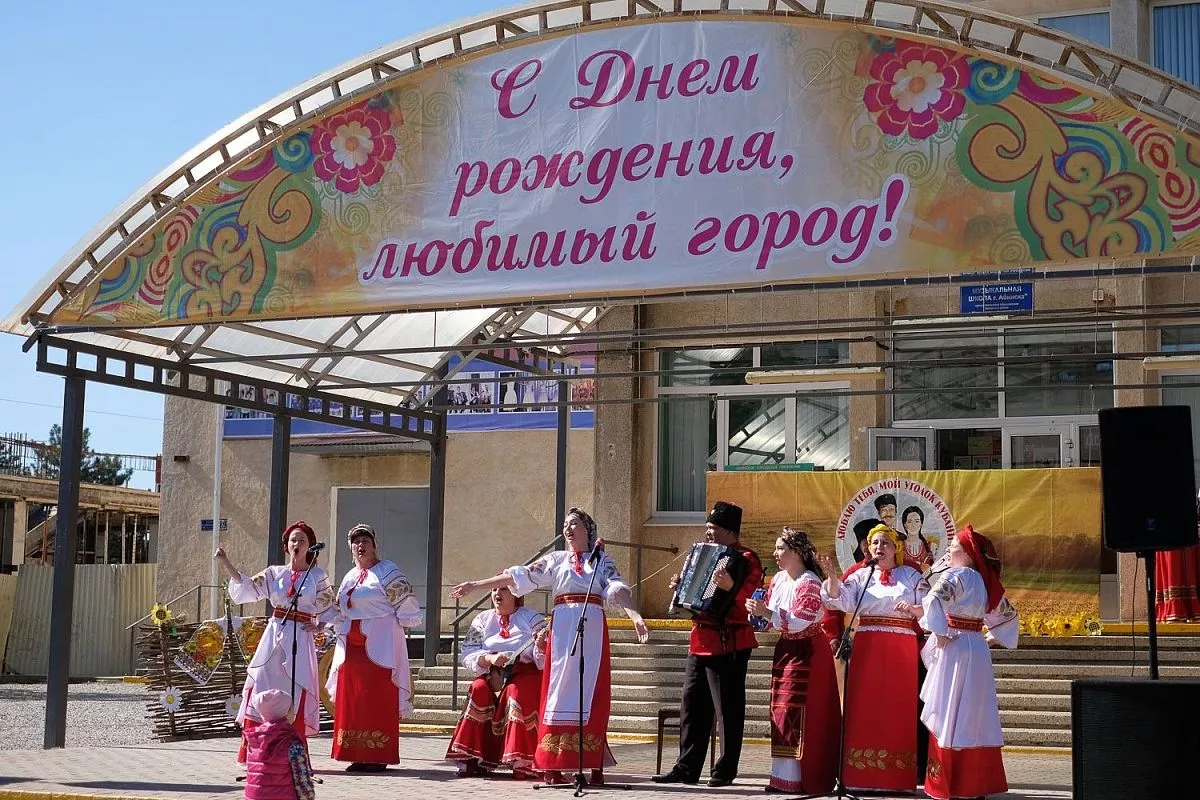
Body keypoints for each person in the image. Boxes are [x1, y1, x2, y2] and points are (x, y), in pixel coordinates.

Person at [449, 507, 649, 785]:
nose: (568, 529)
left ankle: (593, 763)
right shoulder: (556, 560)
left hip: (592, 626)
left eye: (574, 524)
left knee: (590, 692)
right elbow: (519, 576)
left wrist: (635, 616)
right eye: (565, 524)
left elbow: (616, 588)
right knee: (558, 693)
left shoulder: (601, 560)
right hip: (564, 626)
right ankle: (552, 764)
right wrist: (475, 585)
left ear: (588, 530)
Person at [898, 525, 1019, 800]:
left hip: (955, 647)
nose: (949, 550)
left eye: (953, 546)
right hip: (976, 648)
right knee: (973, 713)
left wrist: (940, 631)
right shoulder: (984, 580)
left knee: (948, 710)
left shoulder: (956, 575)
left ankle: (947, 784)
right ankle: (972, 785)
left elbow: (933, 600)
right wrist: (988, 638)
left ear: (966, 553)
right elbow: (1008, 617)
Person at [654, 500, 764, 788]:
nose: (709, 532)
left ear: (730, 531)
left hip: (730, 642)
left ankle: (725, 770)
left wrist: (731, 588)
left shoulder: (747, 559)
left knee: (727, 709)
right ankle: (687, 768)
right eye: (707, 527)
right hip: (700, 639)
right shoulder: (702, 553)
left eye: (714, 527)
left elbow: (750, 599)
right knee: (692, 706)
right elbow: (696, 594)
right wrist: (681, 587)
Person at [215, 521, 335, 764]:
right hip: (275, 634)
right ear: (286, 546)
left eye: (302, 540)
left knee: (295, 687)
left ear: (310, 546)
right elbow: (249, 587)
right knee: (262, 684)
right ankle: (257, 751)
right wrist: (226, 563)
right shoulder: (274, 573)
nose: (297, 544)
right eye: (293, 540)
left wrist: (320, 625)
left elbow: (330, 606)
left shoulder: (317, 576)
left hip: (300, 636)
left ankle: (292, 754)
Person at [820, 524, 926, 793]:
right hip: (868, 644)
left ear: (896, 547)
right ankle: (861, 776)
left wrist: (914, 609)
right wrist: (832, 577)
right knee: (865, 705)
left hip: (901, 645)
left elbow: (929, 605)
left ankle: (896, 779)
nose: (879, 547)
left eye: (885, 543)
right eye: (875, 543)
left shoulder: (911, 575)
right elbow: (842, 601)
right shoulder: (862, 575)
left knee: (897, 707)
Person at [745, 528, 841, 795]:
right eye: (776, 548)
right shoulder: (778, 580)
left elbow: (801, 619)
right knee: (781, 710)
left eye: (781, 548)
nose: (775, 553)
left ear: (797, 552)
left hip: (809, 651)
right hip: (787, 648)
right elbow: (769, 619)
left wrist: (768, 613)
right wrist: (756, 613)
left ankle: (805, 777)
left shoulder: (809, 582)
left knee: (801, 712)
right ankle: (782, 778)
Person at [326, 523, 422, 772]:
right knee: (354, 699)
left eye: (365, 541)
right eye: (356, 542)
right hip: (351, 648)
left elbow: (407, 606)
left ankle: (378, 755)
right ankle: (356, 753)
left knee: (376, 698)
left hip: (379, 647)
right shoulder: (349, 576)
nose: (361, 545)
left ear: (374, 546)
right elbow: (340, 609)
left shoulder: (387, 570)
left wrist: (396, 627)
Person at [446, 586, 548, 779]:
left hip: (525, 672)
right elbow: (468, 652)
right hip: (492, 672)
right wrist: (489, 659)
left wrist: (542, 646)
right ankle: (472, 759)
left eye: (503, 589)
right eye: (494, 589)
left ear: (516, 594)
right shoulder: (481, 619)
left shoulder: (532, 618)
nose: (497, 594)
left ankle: (522, 760)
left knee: (515, 692)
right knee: (478, 689)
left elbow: (543, 657)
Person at [243, 689, 315, 800]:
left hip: (254, 796)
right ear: (286, 713)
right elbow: (301, 778)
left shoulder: (254, 739)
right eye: (291, 708)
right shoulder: (291, 741)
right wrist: (308, 796)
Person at [1154, 494, 1200, 622]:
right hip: (1169, 530)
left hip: (1186, 529)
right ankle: (1174, 609)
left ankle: (1188, 608)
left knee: (1187, 567)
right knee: (1173, 568)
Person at [900, 506, 937, 573]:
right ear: (905, 524)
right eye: (909, 521)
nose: (913, 525)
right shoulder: (898, 546)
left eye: (917, 521)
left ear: (921, 524)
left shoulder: (932, 546)